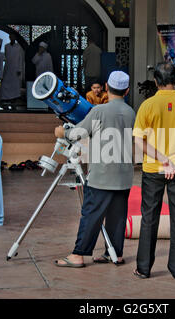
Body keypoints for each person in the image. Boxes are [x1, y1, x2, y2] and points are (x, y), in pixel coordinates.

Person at [53, 71, 135, 268]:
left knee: (91, 213)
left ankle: (78, 255)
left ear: (106, 87)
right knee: (117, 215)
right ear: (127, 90)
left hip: (102, 174)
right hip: (124, 174)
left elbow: (77, 133)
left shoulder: (99, 111)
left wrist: (62, 131)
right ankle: (115, 252)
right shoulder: (131, 112)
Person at [133, 62, 175, 280]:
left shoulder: (148, 106)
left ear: (156, 81)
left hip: (154, 168)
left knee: (149, 218)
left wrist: (161, 159)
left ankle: (144, 268)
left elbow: (138, 140)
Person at [0, 33, 23, 102]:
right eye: (11, 37)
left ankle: (14, 98)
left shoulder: (18, 47)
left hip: (15, 68)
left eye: (13, 37)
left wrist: (19, 69)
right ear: (9, 38)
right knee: (5, 84)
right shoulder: (6, 46)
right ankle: (5, 98)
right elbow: (6, 57)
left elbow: (20, 58)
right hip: (8, 67)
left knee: (15, 85)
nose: (12, 38)